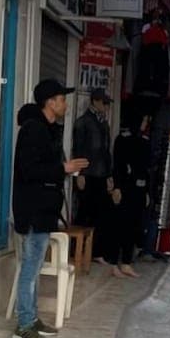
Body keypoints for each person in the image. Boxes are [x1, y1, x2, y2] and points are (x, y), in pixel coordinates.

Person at [12, 79, 88, 338]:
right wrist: (63, 169)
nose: (66, 104)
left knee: (34, 269)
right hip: (33, 210)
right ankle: (24, 325)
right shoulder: (33, 130)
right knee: (30, 270)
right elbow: (29, 170)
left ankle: (32, 319)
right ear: (50, 102)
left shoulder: (48, 129)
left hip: (44, 210)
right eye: (62, 99)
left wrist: (66, 170)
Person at [72, 87, 113, 261]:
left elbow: (106, 151)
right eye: (104, 102)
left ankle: (95, 251)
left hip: (100, 174)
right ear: (95, 101)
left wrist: (109, 175)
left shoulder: (103, 123)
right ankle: (77, 250)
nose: (106, 106)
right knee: (84, 212)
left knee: (100, 213)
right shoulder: (83, 122)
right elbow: (78, 149)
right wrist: (79, 173)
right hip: (88, 173)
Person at [108, 115, 150, 277]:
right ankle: (113, 263)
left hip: (139, 191)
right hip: (125, 189)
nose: (145, 123)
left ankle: (126, 262)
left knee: (134, 227)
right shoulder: (123, 139)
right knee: (119, 226)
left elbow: (146, 169)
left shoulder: (144, 141)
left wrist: (146, 191)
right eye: (143, 120)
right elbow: (118, 166)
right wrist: (117, 187)